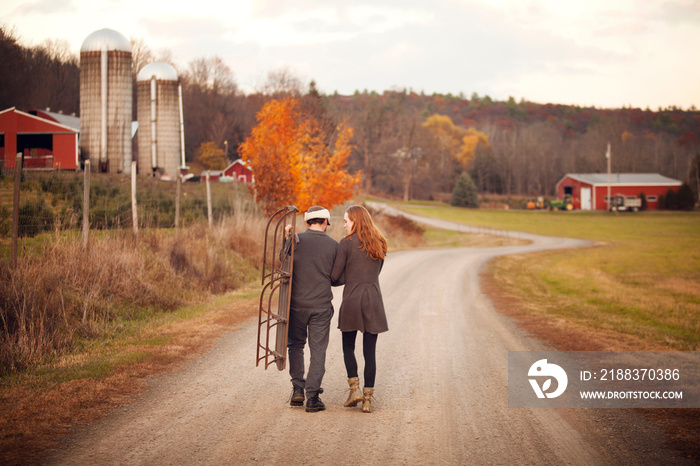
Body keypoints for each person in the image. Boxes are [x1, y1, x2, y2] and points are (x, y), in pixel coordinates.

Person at [331, 205, 388, 413]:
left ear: (355, 220)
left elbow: (335, 276)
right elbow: (376, 272)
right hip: (373, 299)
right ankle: (367, 399)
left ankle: (353, 390)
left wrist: (350, 277)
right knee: (369, 352)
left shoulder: (346, 244)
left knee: (348, 346)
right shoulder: (380, 242)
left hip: (352, 299)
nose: (344, 224)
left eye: (346, 220)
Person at [283, 206, 338, 413]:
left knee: (295, 346)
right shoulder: (334, 245)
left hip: (296, 305)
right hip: (321, 307)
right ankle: (312, 398)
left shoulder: (296, 240)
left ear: (307, 223)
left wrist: (287, 238)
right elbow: (337, 277)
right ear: (325, 222)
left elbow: (282, 262)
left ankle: (298, 389)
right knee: (318, 351)